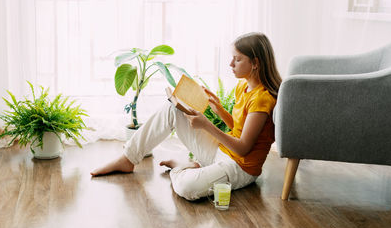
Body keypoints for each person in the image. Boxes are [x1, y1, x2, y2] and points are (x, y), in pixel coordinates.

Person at [91, 32, 282, 201]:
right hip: (222, 153)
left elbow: (243, 148)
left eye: (237, 59)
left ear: (255, 63)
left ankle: (183, 167)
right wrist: (219, 110)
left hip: (241, 168)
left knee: (186, 188)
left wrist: (207, 125)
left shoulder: (261, 100)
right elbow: (239, 129)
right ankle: (128, 158)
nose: (231, 64)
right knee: (173, 109)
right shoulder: (243, 86)